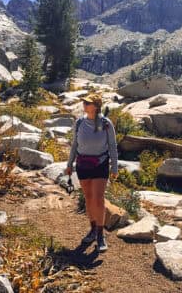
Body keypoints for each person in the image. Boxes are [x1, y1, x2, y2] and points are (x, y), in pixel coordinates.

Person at [64, 93, 118, 252]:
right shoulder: (80, 122)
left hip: (100, 164)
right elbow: (74, 145)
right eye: (84, 102)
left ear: (96, 106)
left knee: (98, 198)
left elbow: (113, 146)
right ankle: (93, 229)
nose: (84, 105)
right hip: (82, 164)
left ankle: (100, 235)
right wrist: (69, 164)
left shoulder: (106, 123)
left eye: (88, 103)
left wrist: (114, 167)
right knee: (88, 198)